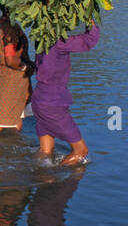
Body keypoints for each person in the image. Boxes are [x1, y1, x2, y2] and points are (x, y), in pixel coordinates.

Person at [32, 23, 99, 165]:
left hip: (39, 98)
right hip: (53, 102)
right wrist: (90, 19)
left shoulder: (41, 39)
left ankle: (41, 178)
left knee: (46, 151)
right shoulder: (59, 42)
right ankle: (57, 177)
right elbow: (89, 40)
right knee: (81, 151)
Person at [0, 13, 33, 135]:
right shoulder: (10, 29)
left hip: (3, 77)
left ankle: (14, 149)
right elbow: (10, 60)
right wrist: (25, 67)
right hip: (13, 81)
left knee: (16, 121)